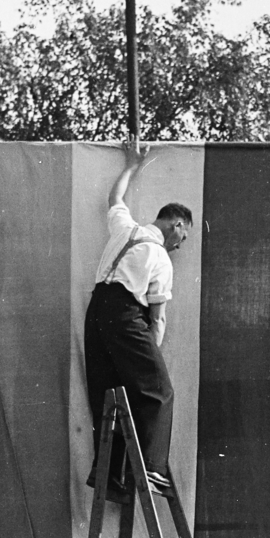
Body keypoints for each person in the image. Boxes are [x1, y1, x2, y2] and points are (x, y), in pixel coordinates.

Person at [84, 143, 193, 499]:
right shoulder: (162, 260)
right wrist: (150, 359)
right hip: (125, 314)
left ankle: (109, 476)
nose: (181, 244)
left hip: (96, 310)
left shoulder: (125, 228)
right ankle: (149, 469)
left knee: (111, 395)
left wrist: (132, 164)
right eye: (184, 236)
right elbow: (157, 321)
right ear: (176, 225)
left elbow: (115, 197)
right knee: (158, 390)